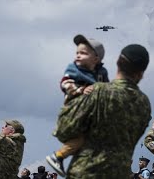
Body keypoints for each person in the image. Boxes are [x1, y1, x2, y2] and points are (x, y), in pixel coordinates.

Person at [52, 44, 151, 178]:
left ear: (117, 63)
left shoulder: (98, 91)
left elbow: (64, 129)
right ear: (141, 74)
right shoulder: (144, 103)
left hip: (87, 171)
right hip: (120, 173)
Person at [46, 34, 109, 176]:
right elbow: (65, 83)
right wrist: (81, 89)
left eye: (83, 53)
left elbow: (107, 88)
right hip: (75, 109)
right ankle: (58, 156)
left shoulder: (101, 73)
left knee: (83, 140)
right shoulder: (73, 69)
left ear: (96, 58)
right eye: (77, 53)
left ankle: (60, 157)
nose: (78, 56)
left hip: (91, 113)